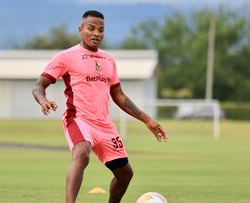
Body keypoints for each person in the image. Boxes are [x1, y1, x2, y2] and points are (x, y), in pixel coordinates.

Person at [32, 10, 168, 203]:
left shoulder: (108, 60)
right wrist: (43, 101)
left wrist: (147, 119)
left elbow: (119, 95)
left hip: (104, 125)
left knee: (125, 174)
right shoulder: (66, 57)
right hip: (78, 119)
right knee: (81, 153)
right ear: (81, 30)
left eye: (101, 30)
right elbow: (38, 86)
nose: (96, 33)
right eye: (91, 28)